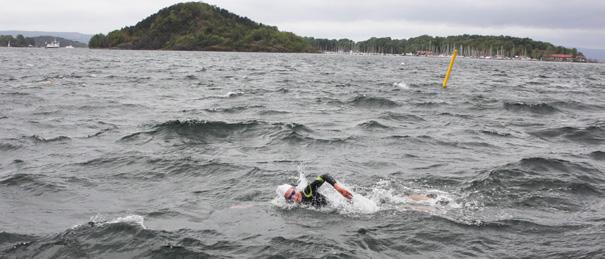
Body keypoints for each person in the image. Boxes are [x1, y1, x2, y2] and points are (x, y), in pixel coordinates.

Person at [276, 174, 352, 207]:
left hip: (337, 206)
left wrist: (337, 187)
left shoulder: (307, 191)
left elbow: (324, 176)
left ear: (295, 188)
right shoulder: (293, 203)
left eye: (293, 193)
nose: (294, 198)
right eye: (290, 197)